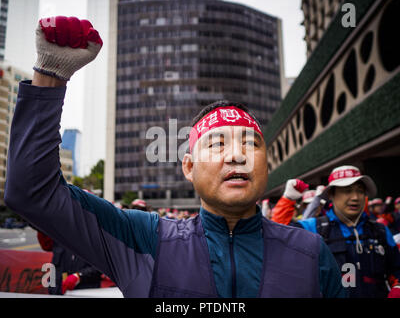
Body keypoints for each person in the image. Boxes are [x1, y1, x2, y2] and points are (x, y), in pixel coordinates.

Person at [4, 16, 345, 298]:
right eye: (216, 144)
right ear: (188, 167)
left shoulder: (312, 253)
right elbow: (33, 192)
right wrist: (50, 76)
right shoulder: (143, 238)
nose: (237, 155)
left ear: (266, 163)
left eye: (250, 143)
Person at [293, 165, 400, 298]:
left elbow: (396, 269)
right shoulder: (313, 228)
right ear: (331, 194)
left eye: (360, 191)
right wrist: (287, 201)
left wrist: (397, 287)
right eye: (347, 191)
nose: (355, 197)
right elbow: (275, 240)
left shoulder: (380, 230)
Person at [36, 230, 103, 295]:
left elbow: (100, 267)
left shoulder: (94, 238)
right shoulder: (59, 234)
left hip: (84, 292)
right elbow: (46, 245)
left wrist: (79, 276)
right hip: (58, 291)